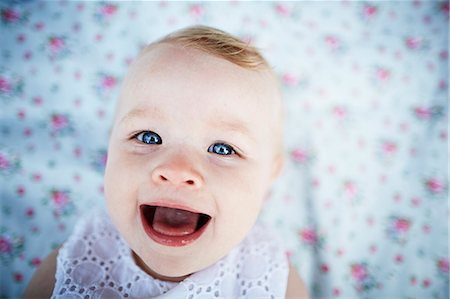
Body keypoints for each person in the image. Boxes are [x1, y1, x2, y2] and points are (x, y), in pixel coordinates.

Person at [22, 25, 309, 298]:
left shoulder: (273, 281)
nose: (177, 171)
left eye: (222, 149)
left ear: (270, 175)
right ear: (110, 148)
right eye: (148, 137)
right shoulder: (73, 265)